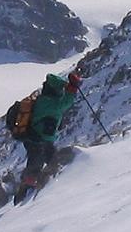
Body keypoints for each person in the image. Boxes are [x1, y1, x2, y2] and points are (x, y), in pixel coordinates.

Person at [13, 72, 81, 204]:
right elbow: (65, 103)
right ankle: (23, 197)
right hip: (39, 138)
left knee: (41, 161)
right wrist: (72, 87)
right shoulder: (50, 103)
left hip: (36, 137)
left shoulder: (43, 100)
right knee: (39, 163)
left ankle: (27, 189)